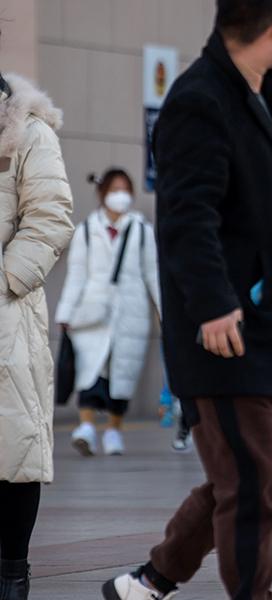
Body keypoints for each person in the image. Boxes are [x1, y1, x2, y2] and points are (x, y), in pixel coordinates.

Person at [103, 2, 272, 599]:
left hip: (268, 331)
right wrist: (214, 304)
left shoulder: (262, 96)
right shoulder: (200, 99)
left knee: (245, 475)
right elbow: (184, 217)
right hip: (224, 334)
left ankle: (151, 579)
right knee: (250, 486)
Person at [0, 70, 74, 600]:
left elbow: (50, 217)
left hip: (7, 311)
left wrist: (7, 279)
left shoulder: (28, 132)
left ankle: (12, 569)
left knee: (15, 447)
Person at [56, 169, 161, 457]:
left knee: (122, 375)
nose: (121, 195)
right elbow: (76, 275)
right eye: (115, 189)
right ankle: (87, 428)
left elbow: (153, 275)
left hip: (131, 312)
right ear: (103, 193)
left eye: (126, 189)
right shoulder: (87, 229)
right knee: (89, 373)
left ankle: (115, 430)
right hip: (91, 313)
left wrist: (164, 312)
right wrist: (65, 313)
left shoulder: (141, 230)